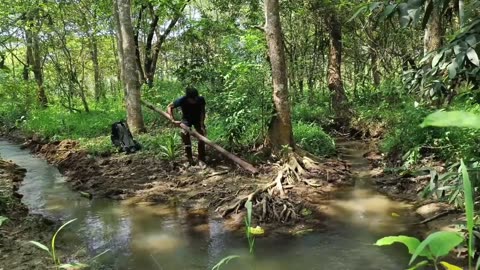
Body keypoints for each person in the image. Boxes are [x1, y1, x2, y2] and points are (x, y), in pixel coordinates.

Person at [167, 86, 206, 165]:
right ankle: (190, 158)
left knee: (202, 135)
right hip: (186, 120)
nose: (194, 101)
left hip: (197, 119)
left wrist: (202, 124)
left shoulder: (200, 99)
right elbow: (169, 106)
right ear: (188, 98)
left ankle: (201, 158)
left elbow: (202, 112)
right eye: (192, 99)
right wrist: (172, 119)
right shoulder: (182, 100)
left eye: (195, 98)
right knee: (184, 135)